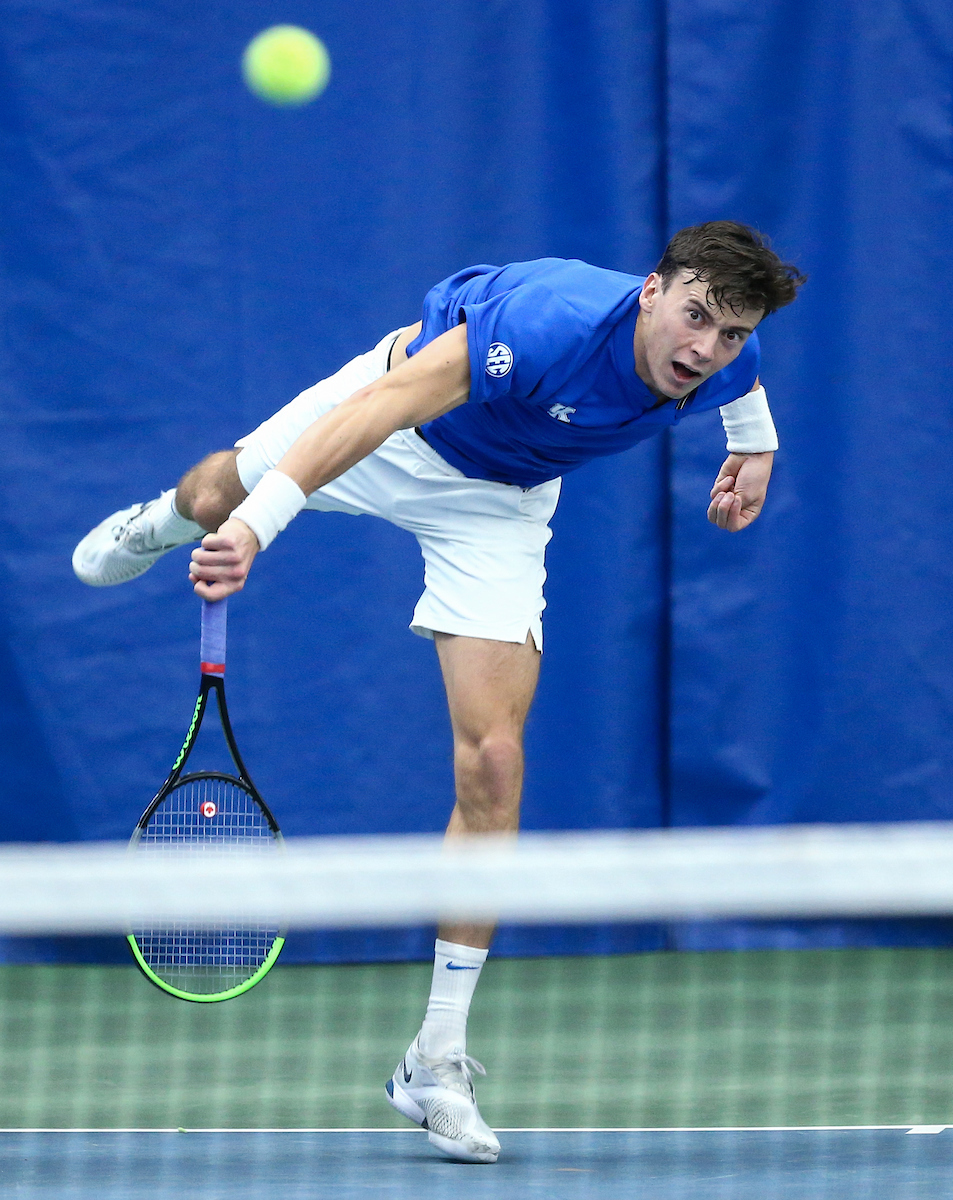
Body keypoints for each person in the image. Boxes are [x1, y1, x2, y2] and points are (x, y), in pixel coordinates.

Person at [73, 220, 804, 1164]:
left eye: (732, 332)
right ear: (651, 291)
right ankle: (162, 522)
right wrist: (254, 529)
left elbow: (742, 387)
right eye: (695, 315)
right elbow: (377, 410)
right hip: (391, 428)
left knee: (495, 762)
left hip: (497, 503)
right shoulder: (548, 324)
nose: (704, 346)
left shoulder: (714, 359)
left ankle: (435, 1056)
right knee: (218, 497)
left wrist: (757, 447)